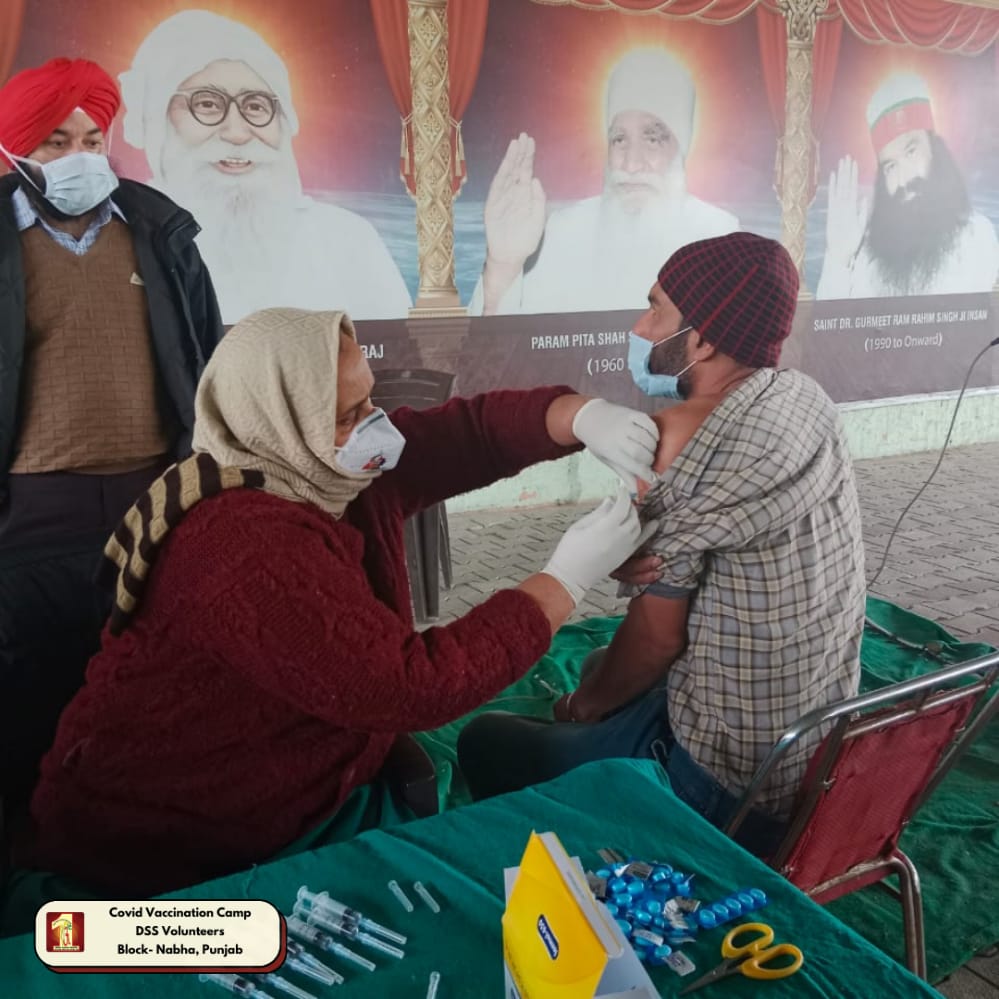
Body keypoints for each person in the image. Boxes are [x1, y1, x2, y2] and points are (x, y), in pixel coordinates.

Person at [16, 306, 660, 896]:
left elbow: (466, 435)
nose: (372, 427)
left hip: (300, 792)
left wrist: (576, 416)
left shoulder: (322, 471)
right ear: (278, 417)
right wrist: (561, 584)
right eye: (346, 414)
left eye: (369, 400)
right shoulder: (240, 546)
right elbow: (407, 686)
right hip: (163, 855)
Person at [459, 232, 867, 856]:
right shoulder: (804, 398)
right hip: (816, 760)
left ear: (701, 339)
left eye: (656, 309)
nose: (640, 325)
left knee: (487, 738)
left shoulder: (674, 440)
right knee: (603, 663)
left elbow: (655, 641)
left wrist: (578, 706)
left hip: (720, 785)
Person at [0, 57, 224, 804]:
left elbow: (204, 349)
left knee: (151, 668)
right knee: (35, 681)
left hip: (153, 494)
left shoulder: (158, 231)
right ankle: (37, 836)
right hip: (31, 507)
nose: (78, 159)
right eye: (55, 142)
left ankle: (144, 822)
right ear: (16, 151)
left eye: (92, 140)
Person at [119, 9, 412, 324]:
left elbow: (398, 359)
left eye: (256, 106)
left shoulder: (346, 240)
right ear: (155, 120)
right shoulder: (121, 244)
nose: (237, 131)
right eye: (206, 103)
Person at [470, 47, 739, 316]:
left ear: (682, 149)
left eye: (653, 139)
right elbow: (502, 353)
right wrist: (502, 267)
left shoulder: (718, 235)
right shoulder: (564, 232)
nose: (631, 164)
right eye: (619, 139)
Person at [817, 72, 999, 299]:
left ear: (935, 149)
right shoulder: (869, 256)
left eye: (911, 152)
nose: (903, 180)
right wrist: (839, 257)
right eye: (891, 167)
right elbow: (834, 329)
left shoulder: (977, 237)